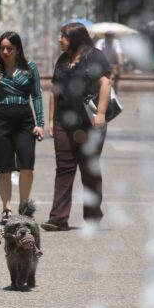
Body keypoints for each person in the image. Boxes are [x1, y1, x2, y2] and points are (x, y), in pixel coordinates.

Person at [43, 22, 112, 232]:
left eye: (63, 36)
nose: (59, 40)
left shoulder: (95, 56)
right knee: (64, 168)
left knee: (89, 169)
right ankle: (58, 218)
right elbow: (55, 90)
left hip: (89, 124)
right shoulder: (62, 60)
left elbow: (106, 83)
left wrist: (100, 114)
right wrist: (52, 120)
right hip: (64, 122)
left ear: (74, 38)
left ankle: (92, 216)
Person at [0, 31, 44, 224]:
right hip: (1, 118)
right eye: (2, 48)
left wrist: (40, 123)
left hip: (25, 118)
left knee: (27, 165)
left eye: (10, 48)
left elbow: (37, 96)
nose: (5, 52)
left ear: (18, 50)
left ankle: (24, 207)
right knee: (4, 166)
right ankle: (6, 207)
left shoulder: (29, 68)